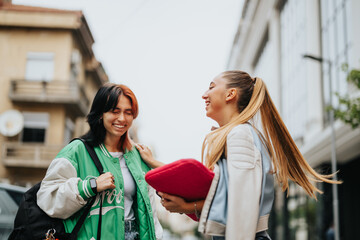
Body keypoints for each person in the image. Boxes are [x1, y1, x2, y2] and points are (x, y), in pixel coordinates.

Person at [136, 70, 340, 240]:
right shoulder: (237, 134)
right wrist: (154, 163)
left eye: (212, 86)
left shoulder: (239, 134)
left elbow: (242, 208)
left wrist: (188, 206)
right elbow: (219, 191)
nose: (204, 94)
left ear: (230, 94)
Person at [37, 83, 163, 240]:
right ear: (100, 114)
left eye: (128, 112)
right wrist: (90, 186)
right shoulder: (77, 151)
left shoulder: (138, 156)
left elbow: (150, 208)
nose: (122, 118)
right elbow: (47, 198)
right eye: (114, 111)